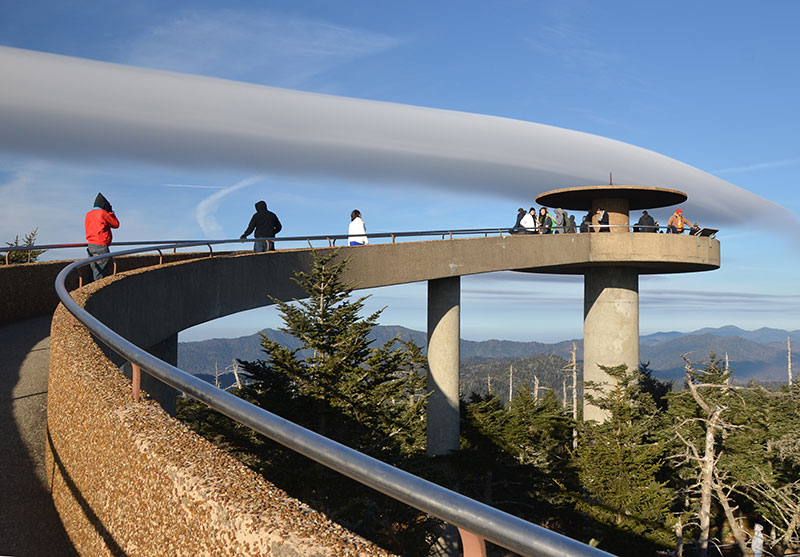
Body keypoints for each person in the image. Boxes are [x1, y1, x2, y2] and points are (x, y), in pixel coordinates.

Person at [84, 192, 120, 282]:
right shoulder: (102, 213)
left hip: (90, 245)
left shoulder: (88, 214)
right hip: (101, 246)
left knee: (94, 270)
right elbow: (116, 224)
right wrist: (111, 213)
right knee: (100, 273)